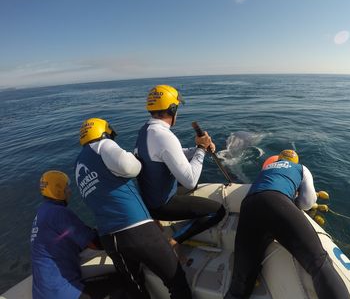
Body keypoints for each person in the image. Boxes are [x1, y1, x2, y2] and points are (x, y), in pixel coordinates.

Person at [75, 118, 191, 299]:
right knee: (176, 281)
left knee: (135, 287)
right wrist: (135, 159)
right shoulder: (103, 145)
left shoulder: (78, 164)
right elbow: (131, 167)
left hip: (109, 239)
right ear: (105, 133)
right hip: (137, 229)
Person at [225, 150, 350, 299]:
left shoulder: (267, 168)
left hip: (249, 205)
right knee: (318, 262)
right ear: (295, 161)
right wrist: (293, 202)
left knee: (242, 278)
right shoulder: (301, 168)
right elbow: (307, 202)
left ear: (277, 160)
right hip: (278, 203)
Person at [135, 85, 226, 248]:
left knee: (193, 184)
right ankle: (175, 240)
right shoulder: (164, 136)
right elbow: (189, 181)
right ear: (172, 108)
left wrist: (197, 148)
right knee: (218, 211)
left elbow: (171, 153)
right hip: (161, 205)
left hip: (150, 197)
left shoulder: (146, 131)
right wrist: (201, 148)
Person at [31, 170, 125, 299]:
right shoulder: (59, 213)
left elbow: (65, 241)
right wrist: (120, 237)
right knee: (122, 282)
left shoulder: (42, 212)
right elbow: (93, 243)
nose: (69, 191)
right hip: (61, 291)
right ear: (59, 190)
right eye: (67, 188)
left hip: (42, 292)